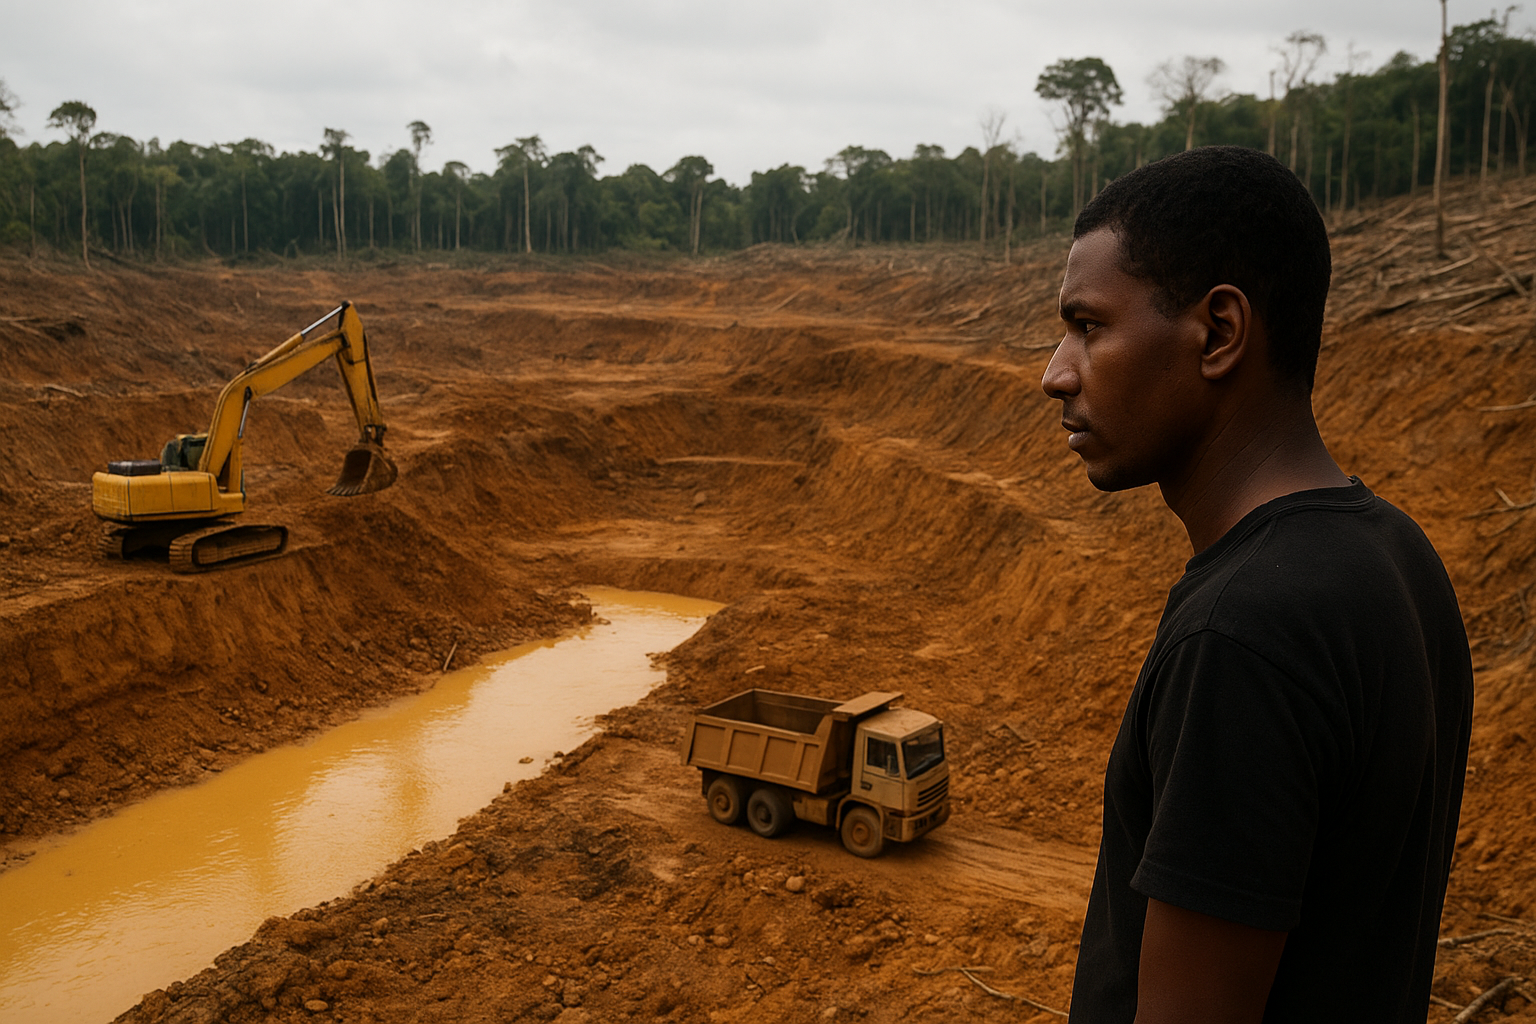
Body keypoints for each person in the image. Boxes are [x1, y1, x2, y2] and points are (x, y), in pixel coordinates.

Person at [1040, 146, 1473, 1023]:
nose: (1055, 371)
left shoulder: (1242, 638)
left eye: (1089, 325)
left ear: (1221, 333)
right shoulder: (1396, 554)